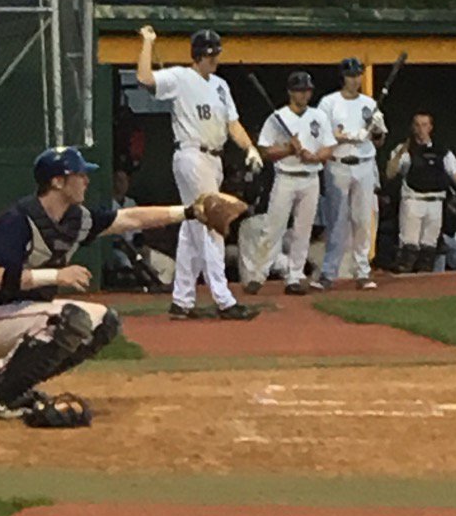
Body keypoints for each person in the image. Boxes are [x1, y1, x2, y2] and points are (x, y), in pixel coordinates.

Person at [0, 146, 226, 421]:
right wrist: (55, 276)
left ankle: (10, 385)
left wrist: (189, 212)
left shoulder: (76, 219)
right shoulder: (18, 220)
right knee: (70, 319)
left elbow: (130, 218)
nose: (86, 180)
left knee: (104, 322)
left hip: (22, 315)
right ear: (57, 181)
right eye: (79, 174)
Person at [137, 25, 262, 320]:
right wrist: (147, 42)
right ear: (199, 55)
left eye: (216, 53)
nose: (215, 58)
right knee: (213, 222)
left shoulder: (220, 85)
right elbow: (144, 78)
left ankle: (182, 300)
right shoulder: (181, 77)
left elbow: (233, 123)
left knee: (192, 227)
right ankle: (224, 300)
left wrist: (250, 148)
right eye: (210, 54)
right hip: (192, 154)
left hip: (214, 158)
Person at [243, 71, 336, 295]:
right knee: (273, 228)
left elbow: (328, 147)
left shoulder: (319, 116)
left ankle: (294, 276)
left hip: (310, 178)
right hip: (285, 177)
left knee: (302, 230)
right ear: (290, 92)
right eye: (299, 90)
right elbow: (265, 150)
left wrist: (315, 157)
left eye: (306, 90)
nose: (303, 94)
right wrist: (288, 149)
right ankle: (258, 275)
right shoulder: (277, 117)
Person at [311, 57, 387, 291]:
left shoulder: (369, 103)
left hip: (364, 163)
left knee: (362, 219)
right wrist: (343, 137)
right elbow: (319, 134)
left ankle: (363, 271)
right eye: (351, 75)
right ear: (343, 77)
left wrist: (376, 130)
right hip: (338, 163)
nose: (355, 80)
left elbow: (380, 140)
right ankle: (328, 273)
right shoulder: (329, 102)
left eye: (357, 75)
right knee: (337, 220)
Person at [386, 112, 456, 273]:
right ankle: (405, 281)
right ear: (412, 127)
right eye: (417, 125)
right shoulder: (405, 150)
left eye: (424, 125)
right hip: (413, 200)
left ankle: (424, 281)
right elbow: (390, 173)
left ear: (430, 127)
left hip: (435, 202)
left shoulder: (442, 151)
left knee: (429, 248)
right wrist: (399, 154)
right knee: (409, 247)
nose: (421, 129)